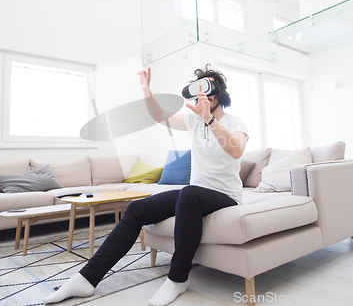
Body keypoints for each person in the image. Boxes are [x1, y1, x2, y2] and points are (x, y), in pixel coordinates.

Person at [43, 64, 248, 306]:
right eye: (199, 90)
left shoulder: (235, 122)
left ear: (221, 93)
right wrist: (145, 89)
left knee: (189, 193)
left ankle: (178, 278)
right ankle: (87, 279)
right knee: (136, 210)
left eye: (209, 89)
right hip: (195, 195)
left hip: (225, 196)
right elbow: (159, 116)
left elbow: (236, 150)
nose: (204, 95)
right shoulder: (193, 121)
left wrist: (209, 119)